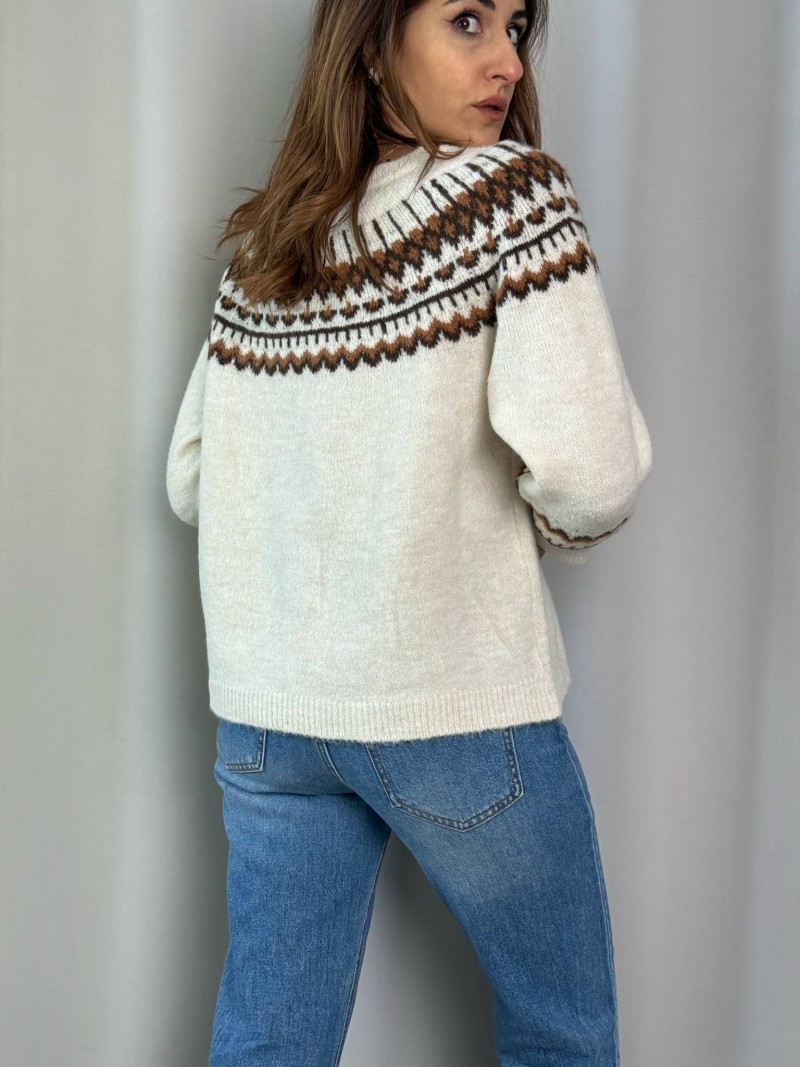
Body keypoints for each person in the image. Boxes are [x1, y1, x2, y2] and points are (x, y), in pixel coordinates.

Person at [166, 0, 653, 1063]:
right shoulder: (510, 197)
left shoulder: (269, 246)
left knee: (269, 1044)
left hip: (270, 720)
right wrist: (537, 529)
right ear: (374, 44)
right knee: (561, 1034)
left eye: (516, 26)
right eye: (466, 21)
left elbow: (191, 477)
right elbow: (592, 477)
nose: (507, 62)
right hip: (450, 703)